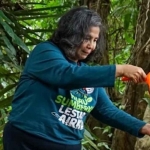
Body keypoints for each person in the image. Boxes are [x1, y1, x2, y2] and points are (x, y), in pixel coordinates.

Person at [3, 6, 150, 150]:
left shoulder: (86, 72)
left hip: (68, 144)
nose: (91, 46)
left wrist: (144, 127)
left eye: (95, 40)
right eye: (87, 38)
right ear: (71, 34)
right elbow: (67, 75)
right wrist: (120, 70)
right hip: (27, 140)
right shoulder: (45, 52)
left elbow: (106, 110)